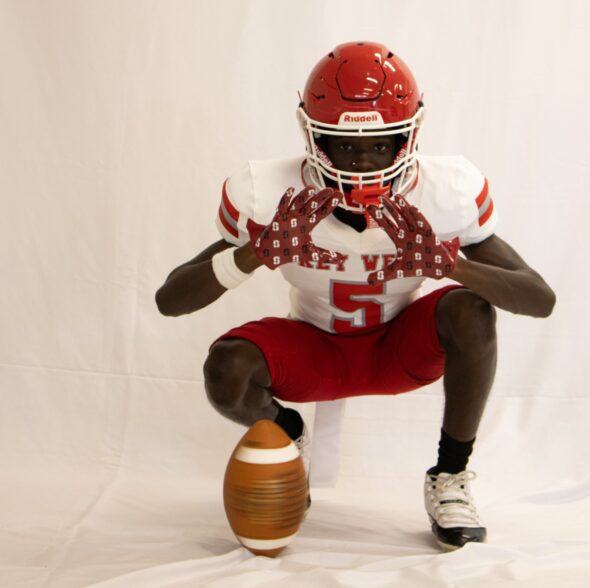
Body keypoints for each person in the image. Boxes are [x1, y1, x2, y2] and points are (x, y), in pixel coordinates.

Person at [155, 41, 556, 551]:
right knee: (227, 370)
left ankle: (450, 476)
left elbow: (540, 299)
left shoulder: (445, 189)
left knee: (470, 309)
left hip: (399, 347)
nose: (363, 160)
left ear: (408, 137)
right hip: (315, 348)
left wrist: (453, 265)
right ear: (313, 138)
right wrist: (256, 252)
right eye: (344, 145)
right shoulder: (269, 192)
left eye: (379, 144)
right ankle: (286, 428)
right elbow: (170, 299)